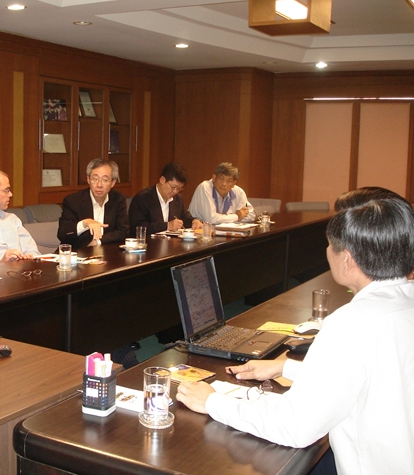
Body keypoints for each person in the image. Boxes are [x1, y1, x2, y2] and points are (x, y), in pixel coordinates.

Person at [176, 194, 414, 475]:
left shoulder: (351, 323)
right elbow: (377, 374)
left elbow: (294, 427)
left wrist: (212, 401)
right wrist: (286, 367)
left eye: (330, 245)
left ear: (347, 260)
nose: (327, 251)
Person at [58, 158, 129, 249]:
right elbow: (63, 234)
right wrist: (84, 223)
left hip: (106, 252)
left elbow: (124, 231)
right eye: (95, 179)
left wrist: (98, 241)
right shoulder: (73, 201)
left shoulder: (118, 199)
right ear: (88, 179)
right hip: (76, 252)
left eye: (105, 180)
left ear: (113, 183)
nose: (99, 185)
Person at [129, 162, 202, 236]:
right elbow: (139, 227)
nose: (175, 191)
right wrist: (167, 226)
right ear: (162, 180)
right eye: (173, 187)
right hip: (149, 242)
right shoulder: (142, 198)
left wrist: (194, 221)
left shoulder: (178, 199)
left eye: (179, 189)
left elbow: (185, 217)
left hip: (172, 242)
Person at [189, 162, 255, 224]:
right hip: (197, 231)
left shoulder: (238, 192)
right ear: (214, 178)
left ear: (234, 183)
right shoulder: (205, 187)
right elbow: (211, 219)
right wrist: (236, 216)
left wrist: (222, 217)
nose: (224, 184)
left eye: (229, 181)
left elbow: (251, 215)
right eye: (221, 178)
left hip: (221, 231)